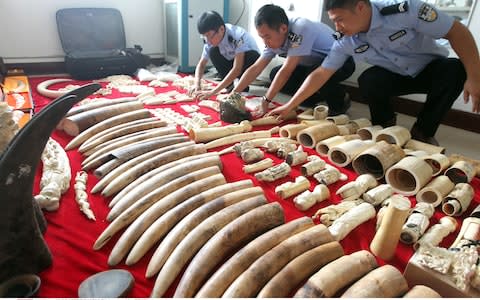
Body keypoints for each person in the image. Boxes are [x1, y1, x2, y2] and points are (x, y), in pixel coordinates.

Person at [267, 0, 480, 145]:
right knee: (368, 80)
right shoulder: (345, 39)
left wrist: (474, 76)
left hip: (429, 69)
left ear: (360, 6)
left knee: (455, 70)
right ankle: (384, 125)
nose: (337, 27)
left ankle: (423, 132)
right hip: (394, 74)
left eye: (340, 19)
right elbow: (322, 72)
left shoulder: (404, 10)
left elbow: (456, 31)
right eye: (333, 21)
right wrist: (289, 105)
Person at [232, 4, 355, 116]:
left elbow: (287, 70)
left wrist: (266, 100)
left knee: (310, 74)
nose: (265, 42)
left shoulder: (300, 29)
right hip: (312, 65)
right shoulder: (274, 38)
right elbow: (256, 68)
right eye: (262, 37)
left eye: (267, 37)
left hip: (342, 63)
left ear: (283, 29)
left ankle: (341, 100)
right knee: (275, 74)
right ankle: (316, 95)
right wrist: (234, 93)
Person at [191, 11, 260, 100]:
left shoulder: (238, 36)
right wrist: (197, 84)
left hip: (248, 63)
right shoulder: (209, 41)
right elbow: (201, 64)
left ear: (221, 29)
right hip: (231, 61)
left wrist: (212, 92)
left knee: (252, 56)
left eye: (209, 36)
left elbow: (237, 69)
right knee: (213, 51)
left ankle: (242, 85)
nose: (208, 41)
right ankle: (229, 86)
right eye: (204, 37)